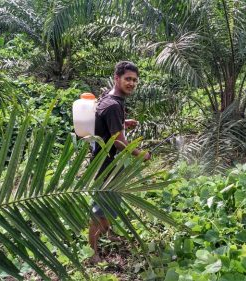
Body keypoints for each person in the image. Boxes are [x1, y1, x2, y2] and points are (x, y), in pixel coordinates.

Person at [88, 61, 151, 263]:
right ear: (117, 78)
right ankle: (93, 253)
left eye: (134, 80)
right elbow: (117, 141)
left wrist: (124, 123)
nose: (132, 83)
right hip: (104, 164)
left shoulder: (109, 98)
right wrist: (141, 154)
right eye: (128, 79)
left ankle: (108, 234)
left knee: (110, 201)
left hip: (107, 163)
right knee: (98, 209)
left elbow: (104, 122)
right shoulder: (114, 105)